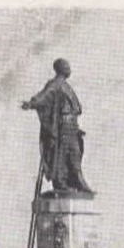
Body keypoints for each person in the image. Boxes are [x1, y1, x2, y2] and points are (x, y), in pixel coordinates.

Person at [21, 58, 94, 194]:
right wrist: (31, 103)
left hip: (73, 126)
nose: (69, 69)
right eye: (67, 66)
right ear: (60, 69)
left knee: (75, 153)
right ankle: (61, 182)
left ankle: (76, 180)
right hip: (63, 126)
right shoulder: (55, 84)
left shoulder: (66, 85)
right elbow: (43, 96)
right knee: (61, 154)